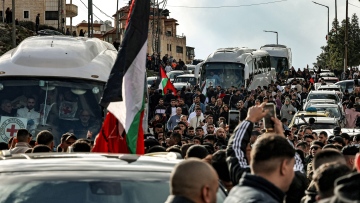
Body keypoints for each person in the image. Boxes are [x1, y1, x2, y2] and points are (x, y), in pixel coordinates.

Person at [225, 134, 295, 203]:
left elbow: (234, 148)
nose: (293, 174)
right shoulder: (263, 200)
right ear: (284, 166)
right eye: (292, 167)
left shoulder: (236, 192)